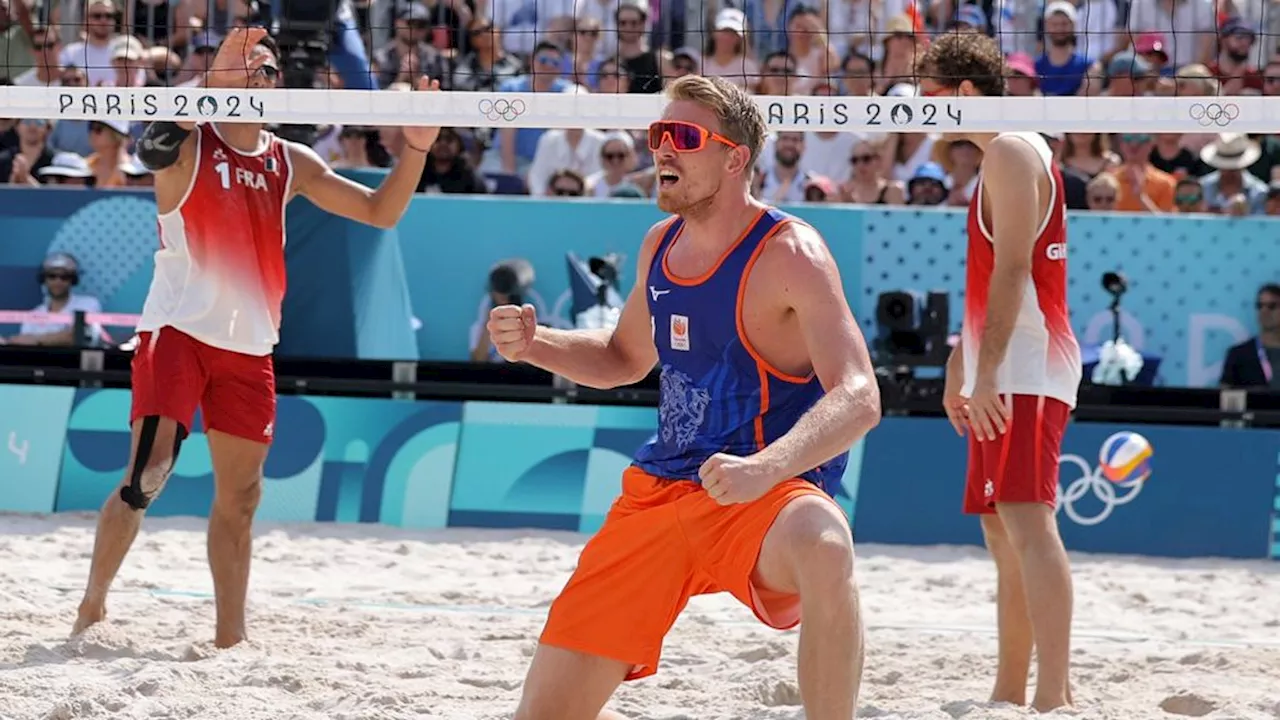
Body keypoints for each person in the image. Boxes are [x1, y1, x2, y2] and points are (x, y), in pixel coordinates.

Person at [486, 74, 881, 720]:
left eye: (684, 136)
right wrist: (536, 344)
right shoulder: (659, 246)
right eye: (658, 135)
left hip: (761, 495)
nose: (663, 150)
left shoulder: (791, 254)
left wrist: (766, 469)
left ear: (734, 158)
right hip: (662, 491)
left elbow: (860, 395)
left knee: (826, 544)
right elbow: (622, 359)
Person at [70, 26, 441, 648]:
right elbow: (151, 148)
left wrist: (417, 149)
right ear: (218, 77)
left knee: (240, 500)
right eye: (249, 66)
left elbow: (382, 212)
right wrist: (209, 80)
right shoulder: (188, 145)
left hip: (249, 345)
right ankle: (93, 603)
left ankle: (229, 639)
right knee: (148, 476)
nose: (262, 76)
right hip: (178, 331)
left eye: (269, 70)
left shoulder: (289, 159)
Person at [918, 33, 1082, 713]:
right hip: (1005, 359)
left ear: (962, 94)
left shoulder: (1013, 151)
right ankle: (1011, 688)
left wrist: (984, 376)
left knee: (1027, 519)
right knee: (1000, 528)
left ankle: (1054, 694)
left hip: (1028, 364)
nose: (919, 114)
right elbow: (992, 279)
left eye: (928, 100)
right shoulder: (1002, 155)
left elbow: (1017, 272)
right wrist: (964, 359)